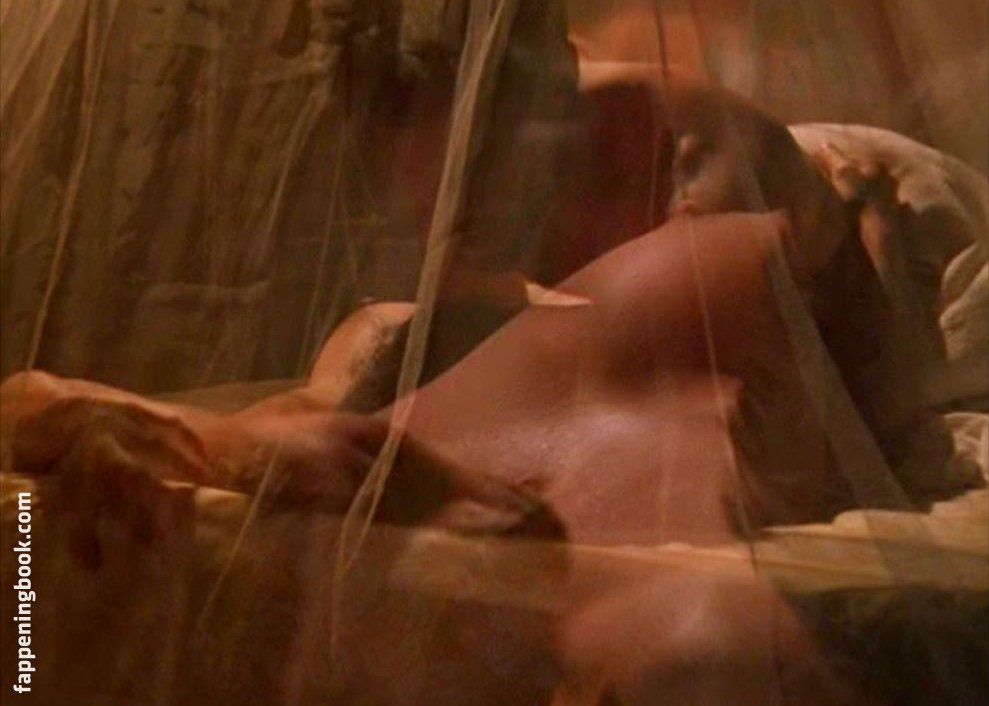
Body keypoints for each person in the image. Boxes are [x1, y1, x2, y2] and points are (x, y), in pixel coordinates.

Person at [0, 22, 936, 706]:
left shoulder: (710, 227)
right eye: (443, 196)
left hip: (615, 567)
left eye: (491, 173)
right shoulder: (392, 334)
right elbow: (50, 414)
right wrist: (105, 417)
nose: (452, 217)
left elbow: (840, 298)